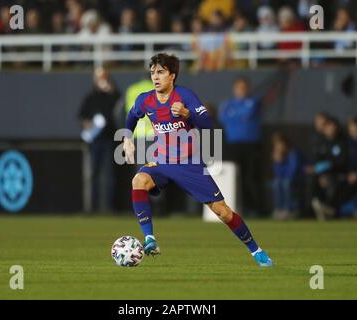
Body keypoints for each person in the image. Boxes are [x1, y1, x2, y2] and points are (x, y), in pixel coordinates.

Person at [123, 53, 273, 267]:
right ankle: (150, 239)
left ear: (172, 76)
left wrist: (186, 114)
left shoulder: (185, 96)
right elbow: (131, 117)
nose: (155, 77)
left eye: (161, 72)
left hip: (189, 164)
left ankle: (256, 251)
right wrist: (127, 139)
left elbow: (208, 127)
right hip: (162, 161)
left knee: (222, 211)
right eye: (153, 72)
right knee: (138, 181)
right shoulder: (145, 100)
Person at [218, 77, 265, 217]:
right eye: (239, 87)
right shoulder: (228, 104)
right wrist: (239, 116)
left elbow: (247, 114)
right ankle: (238, 206)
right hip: (233, 145)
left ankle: (255, 208)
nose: (242, 90)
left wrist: (235, 116)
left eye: (244, 87)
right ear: (235, 89)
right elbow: (224, 118)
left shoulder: (254, 102)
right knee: (234, 177)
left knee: (251, 177)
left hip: (251, 145)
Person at [78, 67, 121, 212]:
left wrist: (111, 90)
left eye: (103, 77)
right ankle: (93, 207)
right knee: (94, 174)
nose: (101, 80)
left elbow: (120, 109)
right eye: (98, 77)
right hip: (95, 141)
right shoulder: (90, 98)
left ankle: (110, 207)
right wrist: (88, 124)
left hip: (110, 139)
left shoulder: (114, 95)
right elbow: (82, 117)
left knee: (110, 174)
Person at [311, 117, 350, 220]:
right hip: (323, 173)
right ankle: (315, 207)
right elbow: (317, 159)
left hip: (339, 172)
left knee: (332, 181)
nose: (331, 129)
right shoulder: (321, 141)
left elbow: (343, 160)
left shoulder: (342, 141)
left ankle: (328, 208)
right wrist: (321, 174)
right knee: (311, 179)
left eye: (332, 126)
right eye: (328, 127)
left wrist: (329, 167)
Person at [271, 132, 303, 220]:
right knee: (276, 183)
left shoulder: (293, 154)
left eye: (280, 144)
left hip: (296, 178)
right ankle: (278, 209)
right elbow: (277, 174)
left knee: (286, 183)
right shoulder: (277, 155)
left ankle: (288, 209)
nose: (279, 147)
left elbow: (294, 171)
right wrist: (278, 162)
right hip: (284, 179)